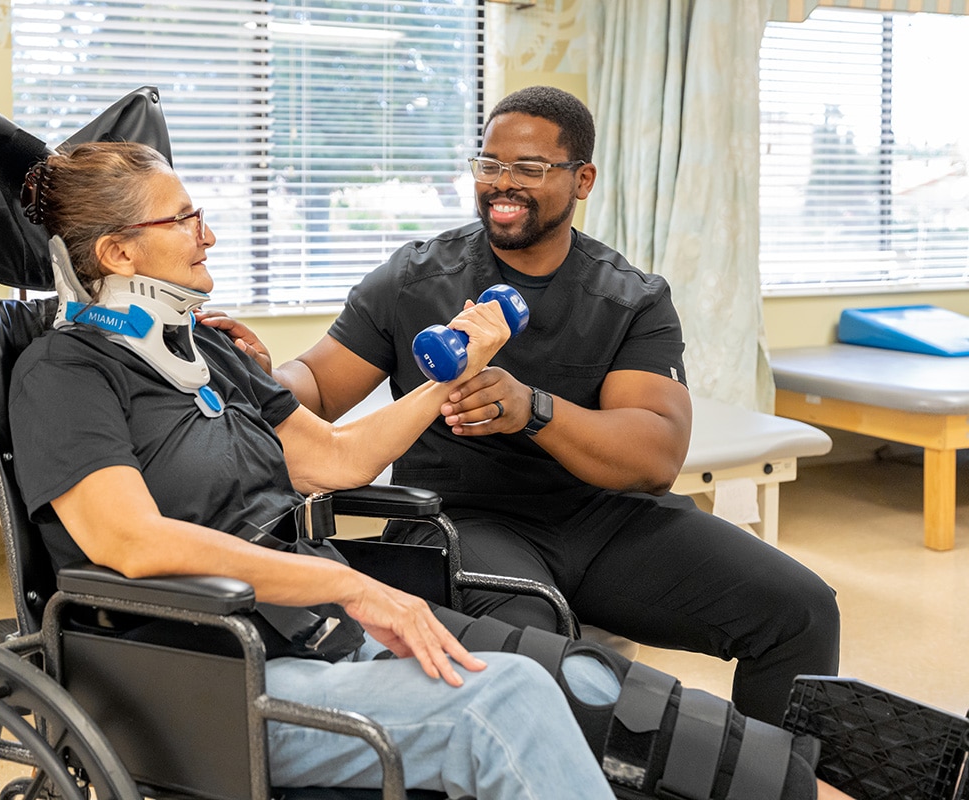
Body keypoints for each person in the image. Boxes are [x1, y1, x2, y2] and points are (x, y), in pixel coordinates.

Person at [7, 141, 858, 800]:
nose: (210, 234)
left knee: (588, 683)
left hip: (311, 636)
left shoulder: (207, 356)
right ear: (117, 254)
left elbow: (336, 457)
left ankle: (815, 787)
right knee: (507, 703)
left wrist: (455, 370)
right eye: (184, 220)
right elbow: (132, 540)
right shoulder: (64, 373)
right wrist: (350, 588)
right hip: (207, 672)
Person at [200, 84, 841, 727]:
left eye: (530, 168)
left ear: (582, 179)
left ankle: (778, 778)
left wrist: (532, 408)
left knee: (800, 611)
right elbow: (317, 382)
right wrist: (263, 377)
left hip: (602, 518)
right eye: (490, 164)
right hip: (461, 520)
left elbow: (654, 455)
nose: (503, 184)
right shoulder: (414, 279)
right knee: (538, 656)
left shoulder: (630, 299)